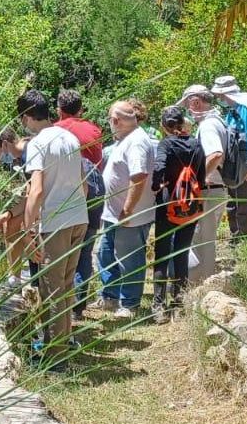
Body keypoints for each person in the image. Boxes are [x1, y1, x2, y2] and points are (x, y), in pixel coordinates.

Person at [18, 89, 89, 360]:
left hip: (56, 222)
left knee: (52, 289)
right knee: (67, 285)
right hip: (78, 217)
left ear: (26, 117)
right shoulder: (69, 137)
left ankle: (54, 356)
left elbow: (36, 191)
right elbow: (83, 184)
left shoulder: (37, 144)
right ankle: (63, 341)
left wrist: (28, 230)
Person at [95, 99, 155, 318]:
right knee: (106, 253)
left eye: (111, 119)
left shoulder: (137, 141)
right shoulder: (126, 139)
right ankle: (110, 296)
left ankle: (129, 304)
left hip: (130, 215)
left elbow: (138, 177)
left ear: (115, 120)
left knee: (129, 259)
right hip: (113, 213)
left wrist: (128, 209)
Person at [150, 106, 203, 324]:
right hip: (190, 205)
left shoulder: (166, 144)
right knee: (182, 251)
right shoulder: (196, 143)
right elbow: (201, 175)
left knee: (162, 253)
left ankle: (159, 305)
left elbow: (159, 167)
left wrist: (156, 185)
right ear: (182, 124)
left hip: (168, 205)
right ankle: (179, 302)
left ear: (164, 126)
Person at [57, 90, 105, 317]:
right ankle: (79, 304)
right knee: (85, 249)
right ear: (80, 108)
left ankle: (64, 305)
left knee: (64, 248)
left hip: (72, 190)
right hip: (96, 187)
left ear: (59, 110)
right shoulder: (94, 129)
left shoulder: (58, 131)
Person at [178, 84, 228, 286]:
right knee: (204, 241)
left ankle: (200, 290)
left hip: (209, 191)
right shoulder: (219, 121)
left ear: (196, 102)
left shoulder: (208, 125)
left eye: (188, 106)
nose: (188, 111)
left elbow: (215, 154)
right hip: (215, 189)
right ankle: (202, 288)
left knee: (200, 243)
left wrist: (195, 181)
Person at [212, 75, 247, 240]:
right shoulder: (232, 110)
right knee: (233, 200)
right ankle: (236, 237)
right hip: (234, 160)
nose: (219, 98)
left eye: (221, 95)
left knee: (245, 202)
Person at [0, 126, 31, 292]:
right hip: (40, 201)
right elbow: (30, 192)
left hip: (51, 203)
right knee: (9, 223)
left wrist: (29, 220)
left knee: (16, 225)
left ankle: (17, 279)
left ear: (5, 144)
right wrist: (10, 213)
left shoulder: (29, 153)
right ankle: (14, 279)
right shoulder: (21, 158)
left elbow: (36, 192)